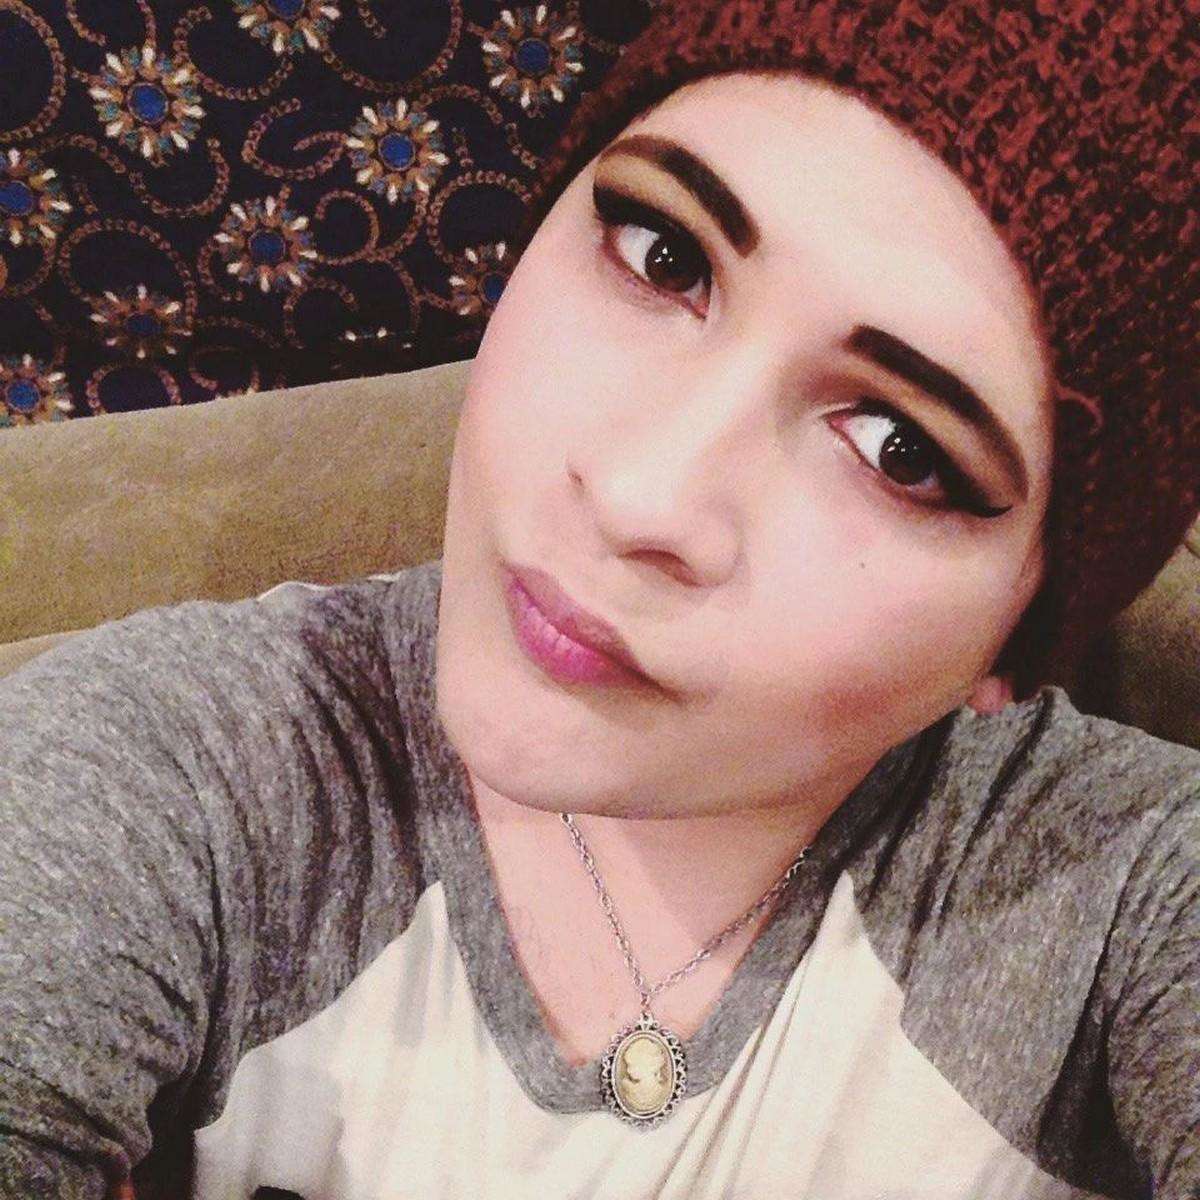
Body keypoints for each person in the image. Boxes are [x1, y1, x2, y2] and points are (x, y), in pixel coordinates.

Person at [1, 0, 1197, 1197]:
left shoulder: (1125, 892)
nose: (638, 497)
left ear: (1021, 636)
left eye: (900, 449)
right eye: (664, 255)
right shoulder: (169, 774)